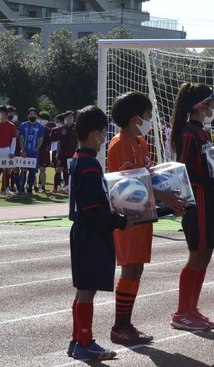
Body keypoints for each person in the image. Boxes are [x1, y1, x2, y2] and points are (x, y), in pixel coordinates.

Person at [107, 92, 186, 344]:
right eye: (147, 116)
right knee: (130, 267)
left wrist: (169, 201)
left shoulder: (140, 143)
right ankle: (120, 325)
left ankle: (125, 323)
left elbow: (149, 178)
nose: (149, 121)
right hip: (127, 217)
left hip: (143, 216)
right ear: (134, 118)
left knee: (137, 267)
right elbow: (129, 186)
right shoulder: (119, 144)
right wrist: (163, 196)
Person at [67, 105, 134, 361]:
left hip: (82, 231)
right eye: (104, 132)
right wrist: (119, 220)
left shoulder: (78, 160)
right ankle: (84, 341)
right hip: (90, 232)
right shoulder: (90, 164)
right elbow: (93, 207)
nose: (105, 137)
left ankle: (77, 340)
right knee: (87, 290)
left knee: (83, 288)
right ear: (95, 134)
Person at [169, 82, 214, 330]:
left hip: (211, 200)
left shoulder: (205, 133)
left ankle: (192, 309)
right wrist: (211, 181)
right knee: (196, 256)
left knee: (205, 256)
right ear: (201, 106)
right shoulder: (187, 134)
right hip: (198, 203)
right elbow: (181, 173)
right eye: (212, 104)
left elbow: (208, 166)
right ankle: (181, 312)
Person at [18, 108, 44, 195]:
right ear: (28, 115)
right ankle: (21, 187)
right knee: (24, 169)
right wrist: (23, 150)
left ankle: (30, 187)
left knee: (33, 171)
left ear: (37, 116)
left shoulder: (40, 127)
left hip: (34, 151)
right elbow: (21, 139)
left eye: (34, 114)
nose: (32, 116)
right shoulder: (23, 125)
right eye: (31, 114)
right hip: (25, 150)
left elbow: (41, 140)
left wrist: (36, 150)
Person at [56, 110, 77, 192]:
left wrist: (77, 150)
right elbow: (59, 141)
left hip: (72, 151)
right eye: (69, 117)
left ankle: (70, 186)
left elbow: (78, 140)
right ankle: (56, 186)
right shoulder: (62, 128)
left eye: (72, 117)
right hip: (63, 151)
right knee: (59, 168)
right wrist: (57, 152)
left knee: (71, 169)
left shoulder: (76, 127)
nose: (70, 118)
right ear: (65, 118)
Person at [36, 111, 51, 192]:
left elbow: (49, 141)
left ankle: (42, 185)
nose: (43, 120)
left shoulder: (48, 130)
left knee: (42, 169)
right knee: (33, 169)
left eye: (45, 119)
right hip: (35, 150)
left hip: (43, 150)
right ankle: (33, 185)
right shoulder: (35, 127)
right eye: (42, 118)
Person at [49, 113, 65, 191]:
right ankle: (57, 185)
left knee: (65, 168)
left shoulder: (65, 129)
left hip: (64, 150)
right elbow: (51, 139)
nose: (57, 123)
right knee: (57, 167)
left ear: (62, 121)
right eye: (56, 121)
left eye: (58, 121)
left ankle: (66, 184)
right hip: (55, 150)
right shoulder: (54, 130)